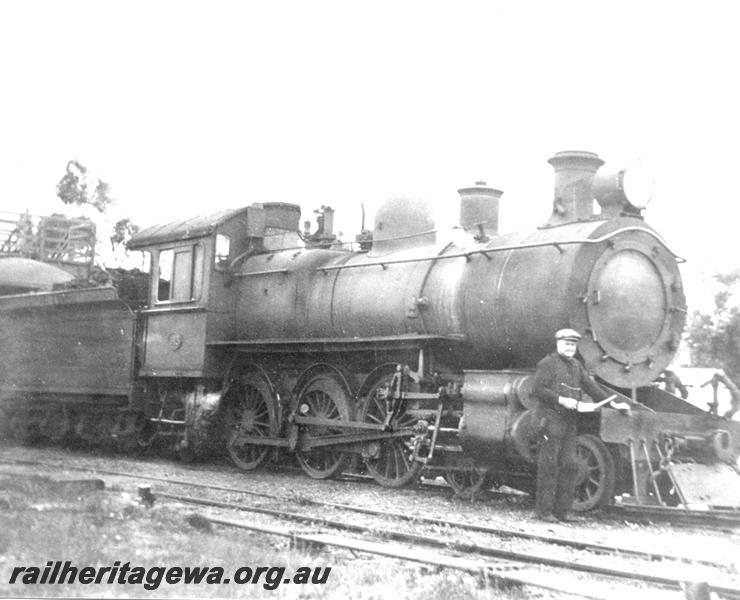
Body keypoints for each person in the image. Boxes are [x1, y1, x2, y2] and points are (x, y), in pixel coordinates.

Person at [531, 328, 609, 523]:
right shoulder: (547, 363)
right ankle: (543, 512)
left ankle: (561, 512)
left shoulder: (576, 366)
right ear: (558, 344)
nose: (569, 348)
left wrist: (612, 402)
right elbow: (537, 390)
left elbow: (591, 387)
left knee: (569, 465)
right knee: (548, 465)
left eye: (573, 345)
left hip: (569, 422)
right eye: (566, 344)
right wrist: (560, 400)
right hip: (549, 420)